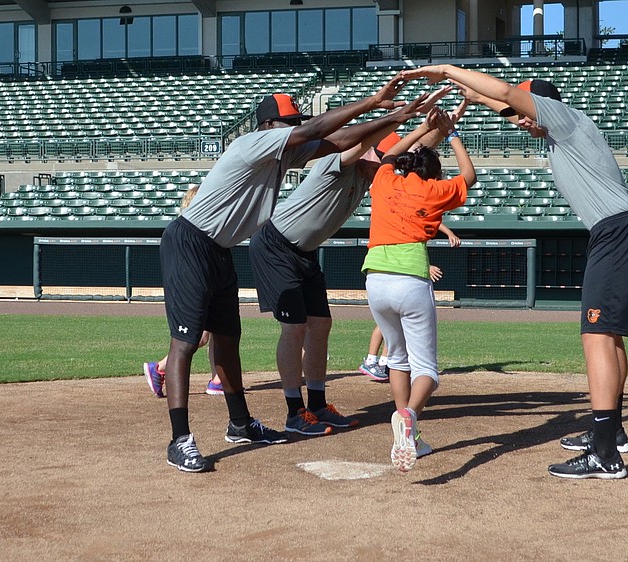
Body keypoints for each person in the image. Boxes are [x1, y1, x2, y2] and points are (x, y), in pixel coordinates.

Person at [159, 74, 433, 472]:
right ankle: (179, 439)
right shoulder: (251, 143)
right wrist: (373, 102)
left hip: (219, 250)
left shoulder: (282, 156)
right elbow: (316, 131)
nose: (295, 130)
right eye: (289, 124)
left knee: (228, 340)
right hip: (189, 242)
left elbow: (338, 141)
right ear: (269, 127)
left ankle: (240, 423)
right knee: (184, 343)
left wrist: (397, 119)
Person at [403, 65, 628, 479]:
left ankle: (605, 455)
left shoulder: (565, 119)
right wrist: (461, 92)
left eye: (522, 111)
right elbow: (497, 98)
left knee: (595, 335)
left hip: (616, 231)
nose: (518, 120)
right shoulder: (558, 135)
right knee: (608, 335)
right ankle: (611, 434)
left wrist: (448, 68)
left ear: (544, 105)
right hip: (619, 230)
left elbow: (503, 91)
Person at [248, 87, 453, 438]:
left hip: (304, 251)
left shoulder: (377, 178)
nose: (393, 163)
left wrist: (441, 125)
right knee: (294, 328)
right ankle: (294, 411)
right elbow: (364, 145)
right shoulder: (339, 161)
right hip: (275, 245)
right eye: (385, 155)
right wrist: (406, 122)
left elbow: (417, 151)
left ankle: (317, 404)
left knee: (320, 326)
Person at [362, 108, 476, 472]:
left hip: (375, 277)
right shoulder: (433, 190)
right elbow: (469, 176)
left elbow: (389, 155)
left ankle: (408, 434)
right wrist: (451, 132)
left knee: (396, 358)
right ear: (434, 173)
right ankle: (409, 417)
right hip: (411, 275)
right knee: (426, 369)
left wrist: (420, 131)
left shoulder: (385, 181)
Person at [144, 186, 223, 397]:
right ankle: (159, 368)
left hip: (207, 283)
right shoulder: (185, 233)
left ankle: (217, 380)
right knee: (198, 336)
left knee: (215, 331)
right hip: (193, 287)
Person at [359, 227, 460, 382]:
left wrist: (449, 233)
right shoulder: (397, 227)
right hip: (395, 275)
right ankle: (372, 361)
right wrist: (425, 266)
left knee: (393, 327)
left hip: (382, 277)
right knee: (388, 327)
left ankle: (382, 362)